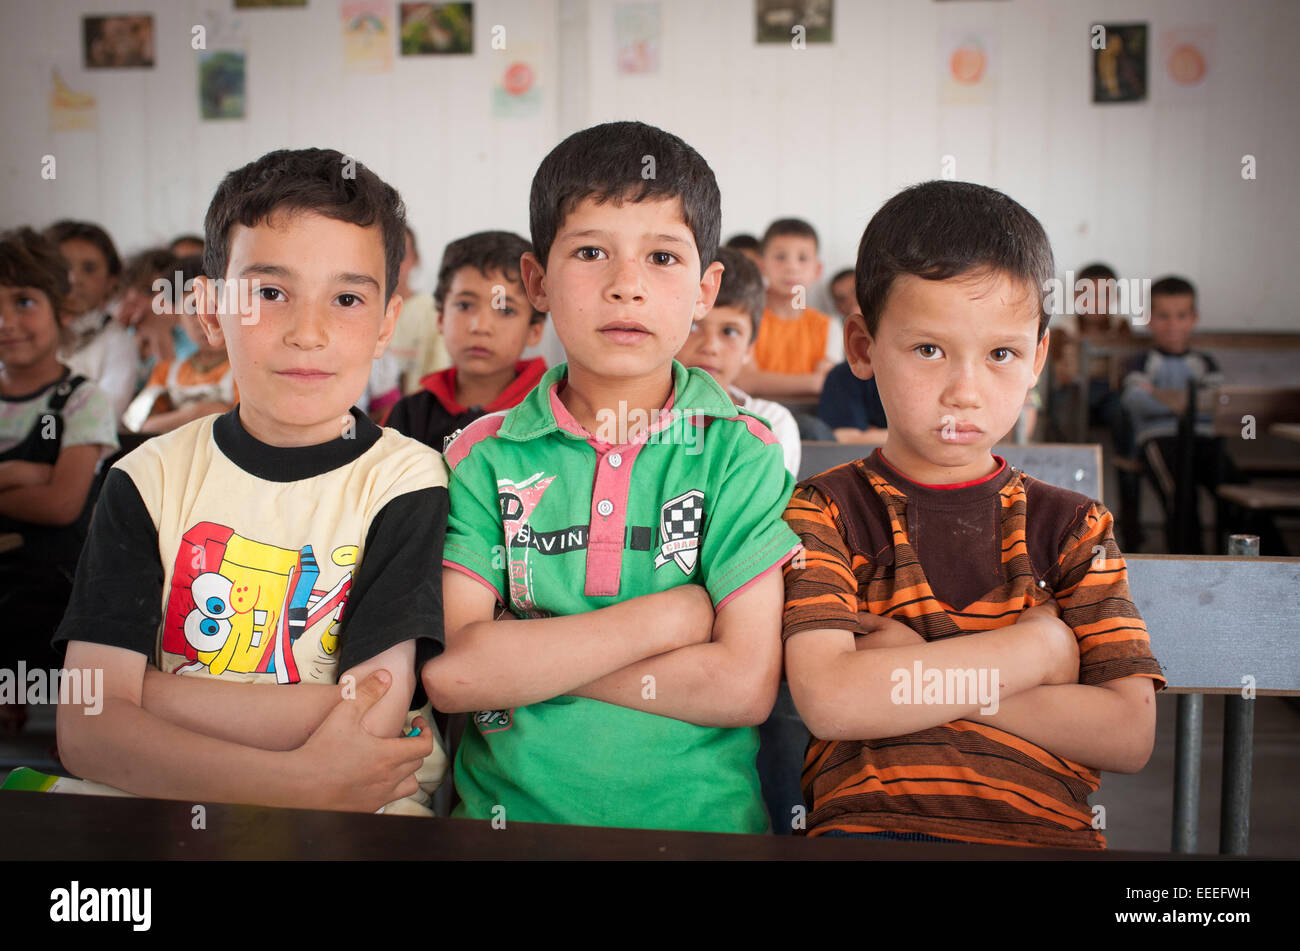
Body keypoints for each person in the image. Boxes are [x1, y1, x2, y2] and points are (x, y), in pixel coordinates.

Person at [422, 120, 801, 833]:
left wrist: (530, 660)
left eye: (662, 256)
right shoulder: (481, 456)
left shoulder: (738, 453)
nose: (626, 286)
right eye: (591, 251)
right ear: (536, 281)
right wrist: (672, 618)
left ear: (704, 289)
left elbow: (744, 684)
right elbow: (455, 676)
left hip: (700, 835)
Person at [53, 148, 443, 813]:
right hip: (169, 798)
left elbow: (372, 719)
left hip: (366, 806)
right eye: (269, 292)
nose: (309, 332)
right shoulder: (144, 478)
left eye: (347, 298)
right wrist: (303, 781)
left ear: (385, 325)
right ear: (208, 310)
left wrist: (145, 693)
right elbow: (88, 728)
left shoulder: (406, 480)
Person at [781, 180, 1165, 848]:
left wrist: (927, 666)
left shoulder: (1073, 529)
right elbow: (835, 699)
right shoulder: (827, 511)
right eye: (929, 349)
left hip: (1042, 840)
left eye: (1001, 354)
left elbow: (1127, 733)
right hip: (873, 832)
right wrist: (1037, 649)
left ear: (1038, 358)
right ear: (865, 347)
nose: (964, 390)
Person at [0, 228, 119, 734]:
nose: (7, 322)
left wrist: (30, 481)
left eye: (24, 302)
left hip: (51, 592)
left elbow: (61, 504)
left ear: (62, 311)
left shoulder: (80, 399)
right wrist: (19, 472)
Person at [1120, 276, 1281, 553]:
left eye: (1181, 316)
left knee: (1238, 492)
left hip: (1205, 440)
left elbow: (1216, 403)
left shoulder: (1204, 362)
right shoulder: (1141, 361)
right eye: (1163, 316)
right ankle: (1189, 564)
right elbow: (1135, 401)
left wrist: (1162, 395)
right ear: (1149, 319)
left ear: (1193, 319)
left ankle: (1279, 562)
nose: (1173, 325)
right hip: (1160, 440)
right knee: (1181, 497)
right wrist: (1190, 402)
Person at [386, 231, 546, 452]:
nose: (480, 326)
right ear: (441, 318)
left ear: (534, 330)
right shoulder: (410, 414)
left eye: (506, 310)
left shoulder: (551, 411)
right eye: (464, 306)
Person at [675, 246, 800, 477]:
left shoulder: (770, 422)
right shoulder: (643, 415)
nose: (710, 346)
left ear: (749, 348)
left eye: (730, 332)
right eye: (693, 326)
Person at [122, 254, 237, 434]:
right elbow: (137, 423)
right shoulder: (166, 372)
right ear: (176, 316)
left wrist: (172, 421)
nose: (207, 318)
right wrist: (201, 413)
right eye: (193, 308)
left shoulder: (245, 370)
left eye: (217, 305)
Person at [734, 218, 842, 399]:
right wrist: (813, 382)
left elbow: (829, 384)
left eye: (803, 258)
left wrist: (764, 381)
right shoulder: (745, 317)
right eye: (780, 257)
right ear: (761, 266)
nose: (791, 267)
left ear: (817, 270)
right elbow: (746, 381)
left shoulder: (829, 326)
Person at [45, 220, 138, 422]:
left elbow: (105, 415)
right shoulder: (27, 335)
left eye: (89, 269)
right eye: (63, 267)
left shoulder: (117, 342)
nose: (74, 278)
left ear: (111, 281)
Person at [387, 225, 451, 395]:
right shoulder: (356, 309)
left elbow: (438, 374)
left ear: (415, 259)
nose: (390, 264)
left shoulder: (431, 311)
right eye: (383, 253)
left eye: (400, 255)